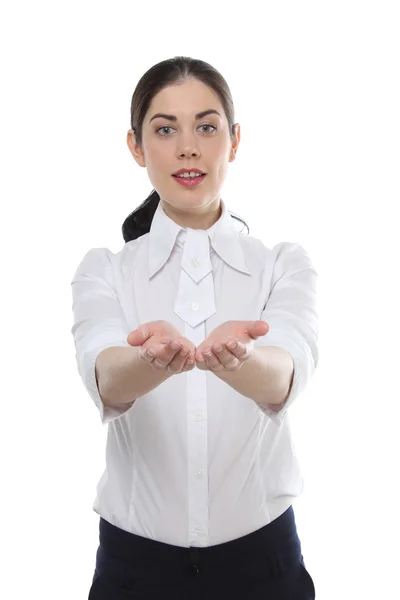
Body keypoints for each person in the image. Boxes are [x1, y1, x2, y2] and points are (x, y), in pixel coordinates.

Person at [70, 55, 318, 599]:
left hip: (264, 562)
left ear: (233, 140)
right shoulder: (104, 270)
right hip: (134, 569)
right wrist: (146, 360)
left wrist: (244, 360)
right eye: (165, 129)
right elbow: (106, 377)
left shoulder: (283, 264)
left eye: (207, 126)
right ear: (136, 147)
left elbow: (285, 375)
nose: (188, 147)